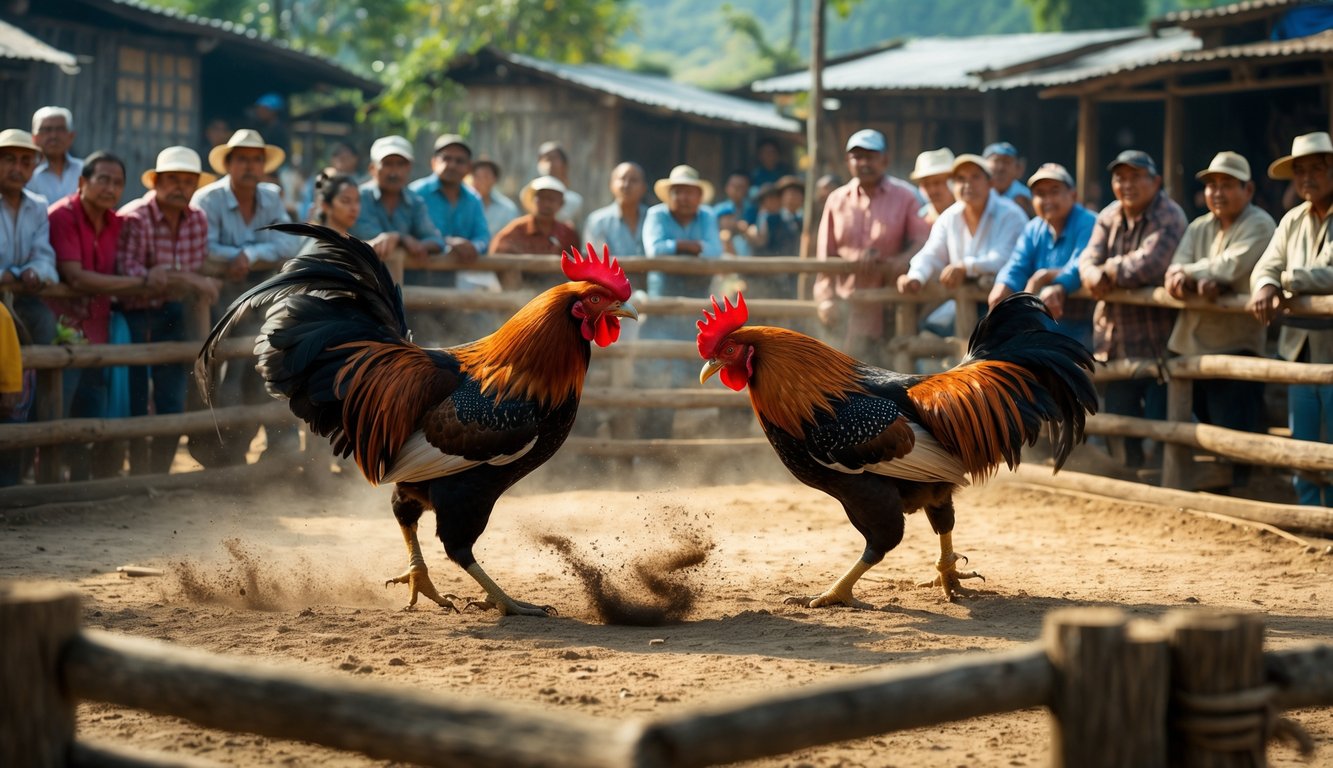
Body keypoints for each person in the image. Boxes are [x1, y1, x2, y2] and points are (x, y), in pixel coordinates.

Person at [1164, 151, 1275, 489]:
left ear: (1249, 189)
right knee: (1202, 419)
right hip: (1188, 342)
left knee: (1234, 424)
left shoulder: (1260, 223)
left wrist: (1189, 274)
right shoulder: (1199, 226)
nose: (1217, 192)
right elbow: (1176, 265)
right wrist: (1190, 277)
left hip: (1235, 345)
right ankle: (1215, 485)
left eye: (1227, 184)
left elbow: (1231, 265)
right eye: (1212, 185)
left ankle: (1241, 491)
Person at [192, 128, 302, 465]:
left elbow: (290, 243)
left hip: (262, 300)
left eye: (256, 160)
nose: (250, 167)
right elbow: (203, 247)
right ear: (228, 163)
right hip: (216, 302)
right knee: (230, 370)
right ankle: (223, 453)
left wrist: (249, 256)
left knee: (273, 363)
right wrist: (244, 255)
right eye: (242, 159)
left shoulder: (269, 196)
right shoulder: (207, 199)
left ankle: (276, 452)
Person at [46, 152, 158, 479]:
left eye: (118, 182)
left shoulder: (117, 223)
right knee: (56, 412)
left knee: (91, 409)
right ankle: (46, 486)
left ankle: (81, 488)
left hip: (98, 332)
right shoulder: (62, 216)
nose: (110, 188)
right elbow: (76, 277)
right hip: (60, 332)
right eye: (103, 179)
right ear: (82, 182)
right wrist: (139, 283)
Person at [1079, 149, 1187, 471]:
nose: (1127, 184)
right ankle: (1130, 479)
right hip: (1114, 341)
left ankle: (1168, 480)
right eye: (1120, 177)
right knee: (1121, 419)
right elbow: (1087, 258)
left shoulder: (1169, 215)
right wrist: (1092, 274)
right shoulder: (1109, 215)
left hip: (1159, 343)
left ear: (1155, 181)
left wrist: (1107, 271)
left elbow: (1152, 262)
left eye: (1136, 177)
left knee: (1163, 419)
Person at [117, 146, 222, 475]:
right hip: (135, 314)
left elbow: (180, 271)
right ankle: (136, 472)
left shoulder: (197, 219)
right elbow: (129, 271)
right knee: (134, 397)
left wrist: (174, 277)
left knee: (172, 396)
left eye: (187, 181)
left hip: (174, 312)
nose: (180, 187)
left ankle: (158, 473)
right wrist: (188, 279)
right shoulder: (135, 217)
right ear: (157, 182)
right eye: (173, 179)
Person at [1248, 132, 1333, 506]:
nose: (1307, 178)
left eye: (1317, 168)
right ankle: (1312, 512)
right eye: (1300, 171)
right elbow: (1266, 264)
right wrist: (1267, 283)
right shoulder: (1292, 220)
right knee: (1304, 439)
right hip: (1298, 348)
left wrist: (1286, 280)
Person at [815, 129, 929, 364]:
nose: (864, 162)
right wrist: (825, 299)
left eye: (871, 156)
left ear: (884, 160)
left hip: (891, 305)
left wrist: (903, 259)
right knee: (844, 380)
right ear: (848, 162)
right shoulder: (836, 199)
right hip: (846, 307)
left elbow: (923, 241)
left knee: (893, 376)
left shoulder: (906, 196)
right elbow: (825, 257)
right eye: (857, 157)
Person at [898, 153, 1026, 337]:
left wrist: (965, 267)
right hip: (961, 302)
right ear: (953, 185)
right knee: (929, 336)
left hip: (1004, 301)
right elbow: (931, 253)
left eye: (975, 177)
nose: (968, 184)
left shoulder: (1011, 214)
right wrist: (915, 276)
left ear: (990, 183)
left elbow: (1005, 257)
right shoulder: (950, 217)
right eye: (960, 179)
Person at [639, 164, 723, 439]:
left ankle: (690, 446)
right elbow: (655, 250)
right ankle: (653, 443)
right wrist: (690, 246)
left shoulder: (707, 216)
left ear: (698, 195)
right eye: (678, 191)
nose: (684, 197)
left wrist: (675, 246)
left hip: (695, 311)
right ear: (669, 195)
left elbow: (714, 251)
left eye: (689, 192)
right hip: (662, 307)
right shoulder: (656, 214)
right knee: (656, 374)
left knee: (692, 371)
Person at [989, 163, 1097, 350]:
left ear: (1073, 195)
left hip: (1084, 323)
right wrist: (1003, 285)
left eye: (1054, 191)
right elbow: (1017, 263)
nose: (1047, 199)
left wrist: (1051, 279)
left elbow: (1082, 261)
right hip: (1045, 322)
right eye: (1040, 193)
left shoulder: (1089, 222)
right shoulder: (1034, 228)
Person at [0, 129, 59, 347]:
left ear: (34, 168)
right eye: (9, 160)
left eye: (26, 161)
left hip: (22, 300)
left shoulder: (38, 206)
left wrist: (35, 271)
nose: (17, 168)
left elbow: (45, 257)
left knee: (45, 322)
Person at [350, 135, 446, 268]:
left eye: (401, 164)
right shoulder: (358, 197)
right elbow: (375, 240)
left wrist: (417, 246)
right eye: (387, 164)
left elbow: (436, 241)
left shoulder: (415, 202)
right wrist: (403, 239)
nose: (394, 172)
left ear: (409, 168)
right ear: (372, 168)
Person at [407, 134, 488, 289]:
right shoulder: (415, 193)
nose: (451, 165)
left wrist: (472, 246)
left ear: (469, 168)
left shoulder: (473, 198)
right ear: (433, 162)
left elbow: (483, 237)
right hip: (417, 278)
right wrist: (446, 243)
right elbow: (405, 233)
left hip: (457, 281)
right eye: (446, 158)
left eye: (459, 161)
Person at [746, 175, 803, 298]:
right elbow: (760, 243)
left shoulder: (803, 221)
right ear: (781, 197)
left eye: (798, 193)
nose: (793, 197)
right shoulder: (770, 219)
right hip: (772, 276)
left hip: (797, 274)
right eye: (789, 193)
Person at [583, 161, 649, 257]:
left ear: (644, 188)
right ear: (611, 185)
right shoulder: (597, 221)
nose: (626, 185)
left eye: (633, 180)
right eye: (622, 179)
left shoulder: (653, 218)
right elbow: (597, 261)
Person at [27, 107, 83, 205]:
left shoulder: (84, 170)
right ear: (34, 138)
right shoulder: (26, 173)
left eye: (60, 129)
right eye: (46, 130)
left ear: (71, 136)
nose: (53, 136)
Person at [297, 141, 359, 221]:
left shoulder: (361, 183)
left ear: (356, 159)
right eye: (337, 155)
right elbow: (305, 210)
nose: (341, 159)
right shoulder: (320, 180)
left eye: (347, 156)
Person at [470, 156, 519, 245]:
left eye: (485, 176)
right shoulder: (461, 204)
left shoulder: (507, 209)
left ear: (494, 179)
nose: (480, 181)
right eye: (476, 176)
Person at [536, 141, 583, 229]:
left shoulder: (574, 201)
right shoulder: (530, 195)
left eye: (553, 158)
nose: (548, 163)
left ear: (564, 164)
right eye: (544, 158)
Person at [984, 141, 1034, 218]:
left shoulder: (1026, 198)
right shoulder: (976, 193)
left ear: (1018, 168)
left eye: (1007, 162)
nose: (1001, 168)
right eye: (996, 161)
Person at [910, 147, 956, 225]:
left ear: (952, 182)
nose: (932, 190)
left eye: (937, 182)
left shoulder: (968, 213)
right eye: (926, 184)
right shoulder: (920, 219)